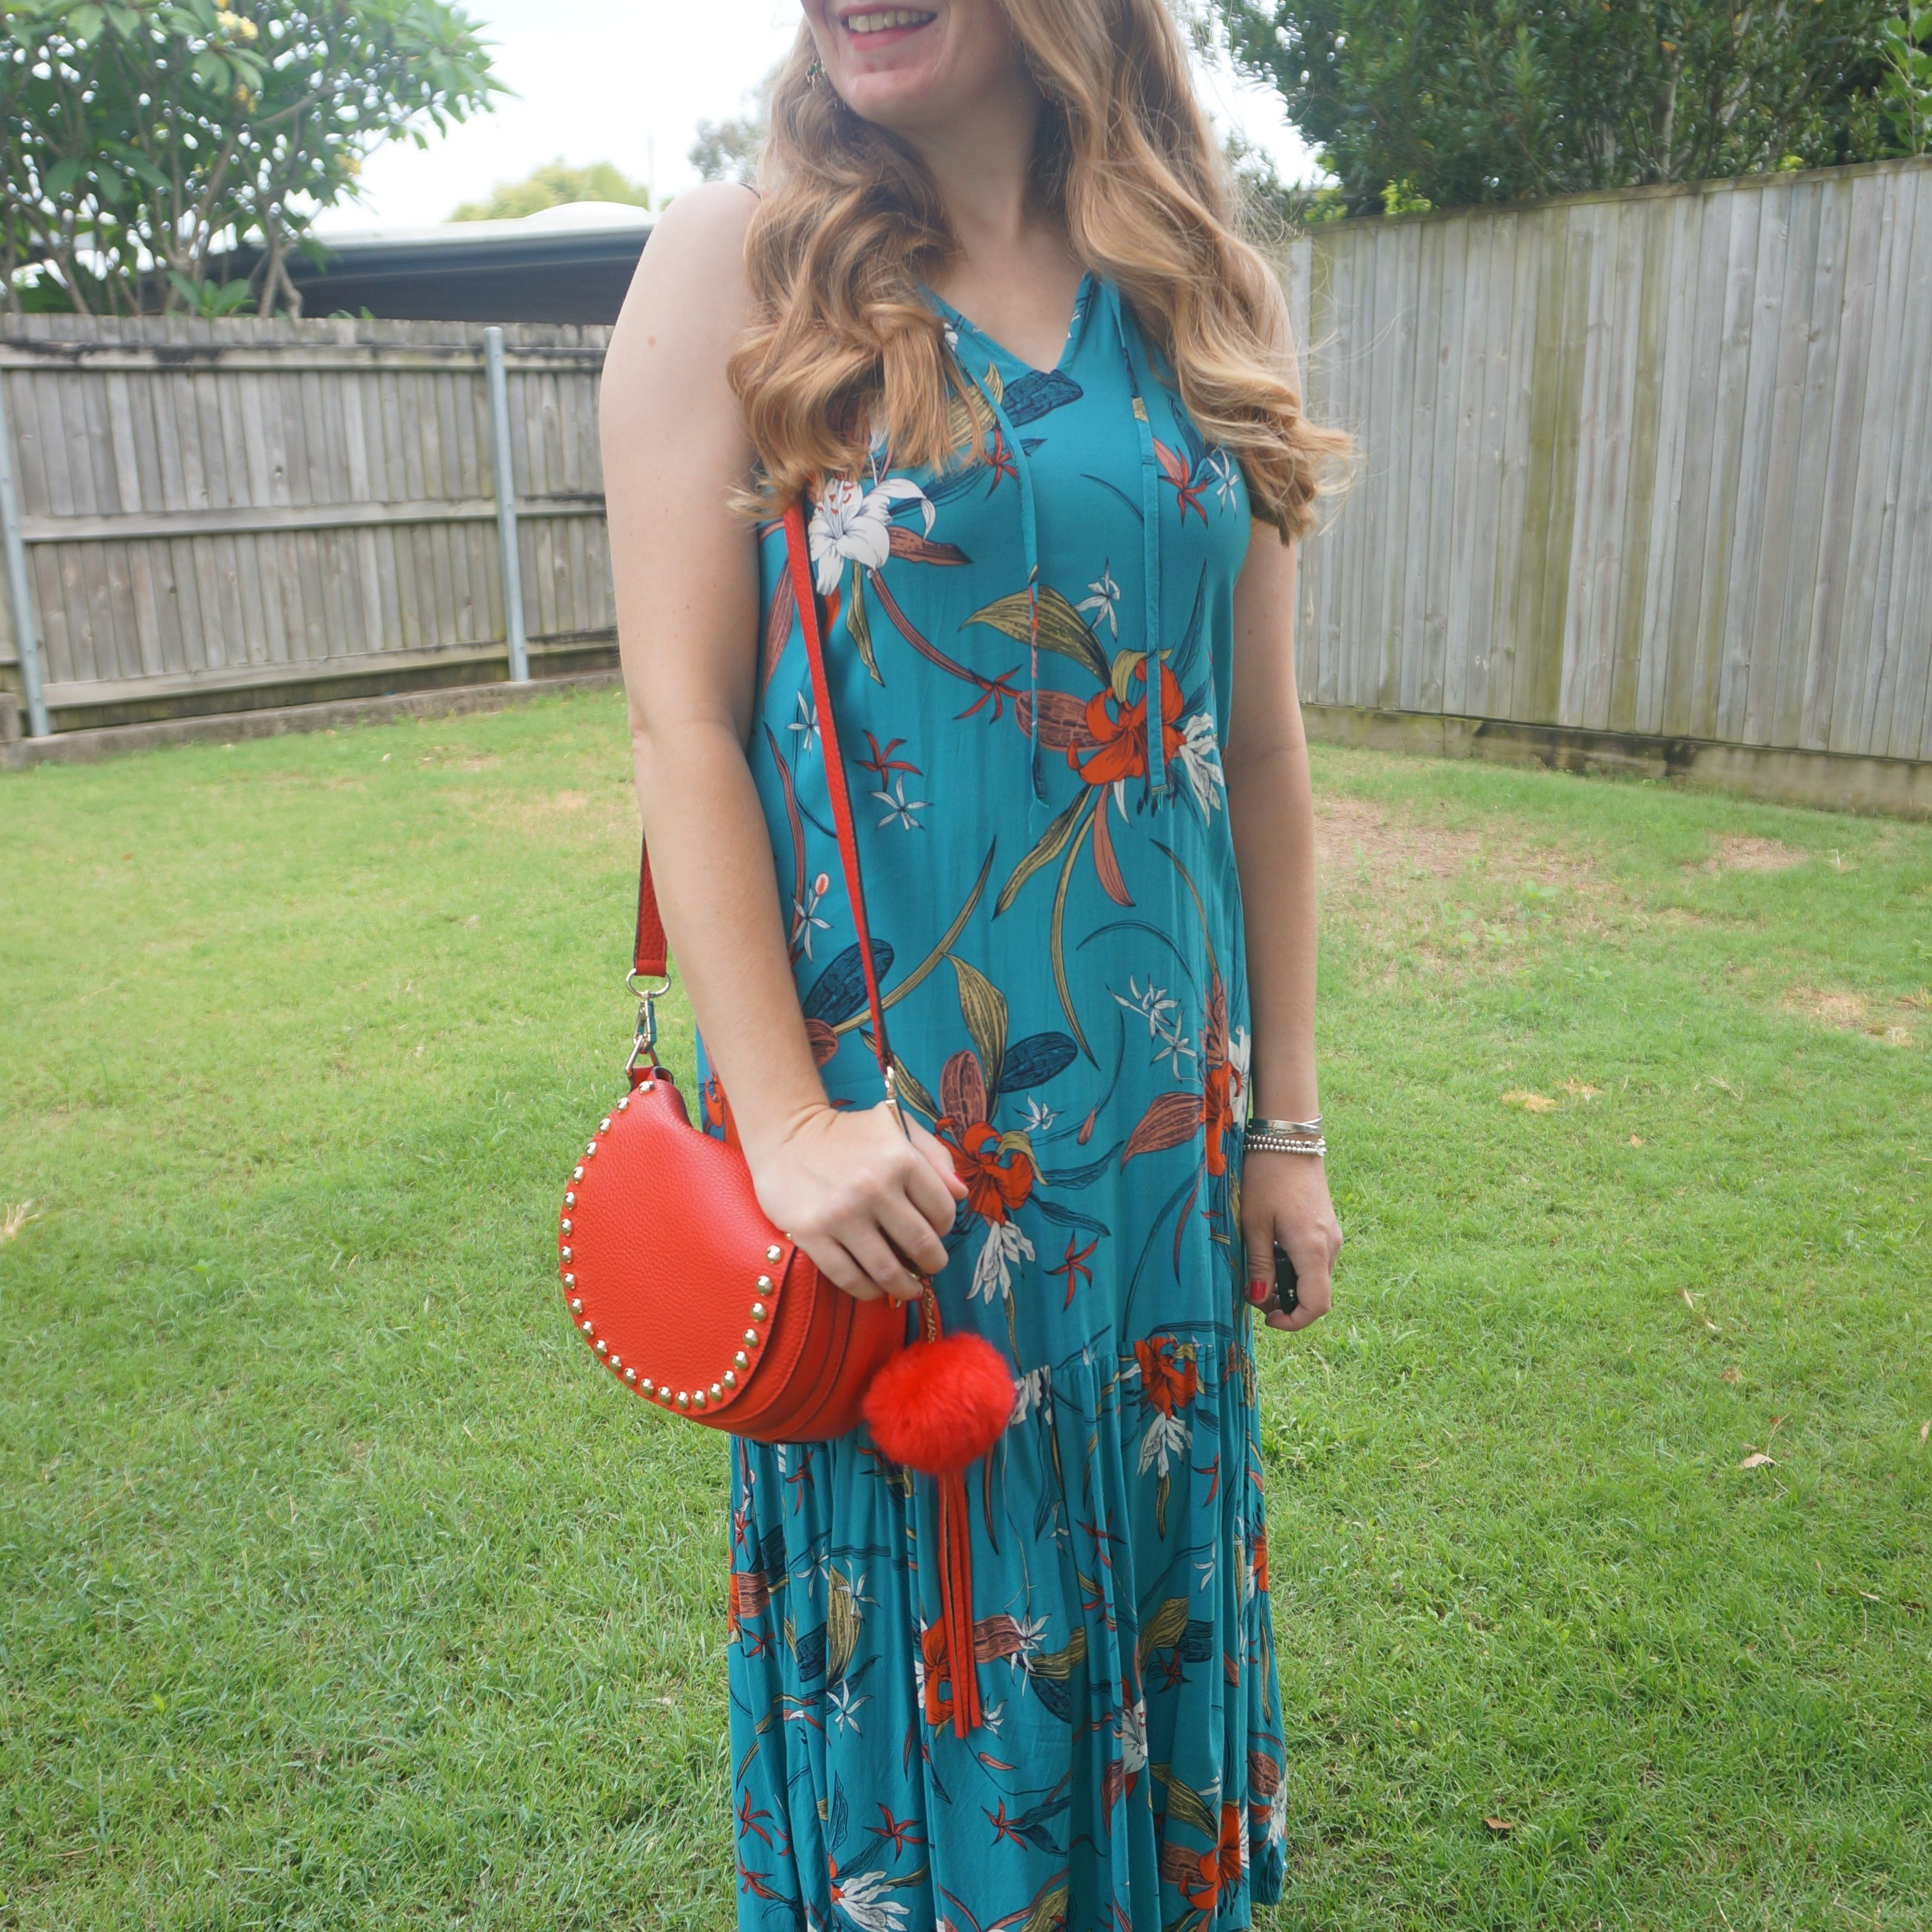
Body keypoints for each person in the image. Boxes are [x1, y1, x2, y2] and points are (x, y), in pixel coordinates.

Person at [600, 2, 1344, 1923]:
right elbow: (684, 723)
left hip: (1157, 1166)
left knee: (1141, 1595)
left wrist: (1286, 1129)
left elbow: (1257, 751)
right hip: (905, 1184)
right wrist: (786, 1125)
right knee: (936, 1627)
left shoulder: (1200, 290)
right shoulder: (737, 263)